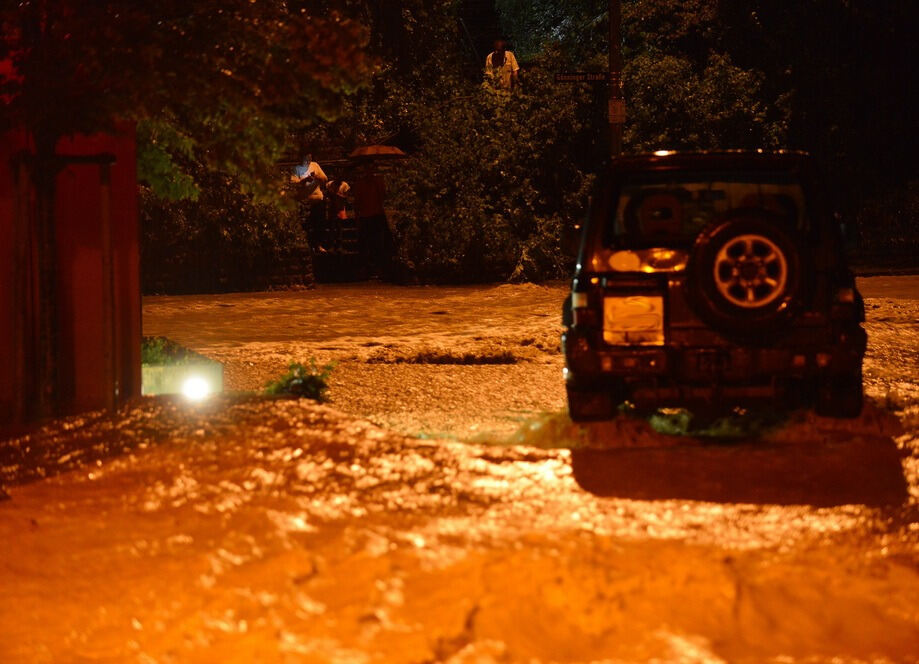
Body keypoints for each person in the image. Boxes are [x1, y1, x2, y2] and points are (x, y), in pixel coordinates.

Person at [351, 165, 392, 279]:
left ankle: (379, 269)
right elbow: (357, 201)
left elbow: (383, 196)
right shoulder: (360, 184)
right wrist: (357, 216)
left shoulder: (378, 182)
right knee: (365, 244)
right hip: (366, 215)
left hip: (376, 214)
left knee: (378, 243)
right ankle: (366, 269)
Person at [290, 152, 328, 247]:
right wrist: (305, 180)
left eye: (310, 159)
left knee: (319, 224)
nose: (308, 161)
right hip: (305, 202)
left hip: (318, 200)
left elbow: (325, 179)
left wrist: (317, 176)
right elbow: (293, 184)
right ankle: (307, 245)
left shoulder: (315, 165)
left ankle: (318, 245)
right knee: (306, 225)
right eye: (306, 159)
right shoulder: (296, 169)